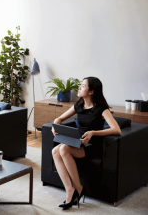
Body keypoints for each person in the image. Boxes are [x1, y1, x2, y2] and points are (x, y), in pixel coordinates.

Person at [51, 77, 121, 210]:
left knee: (64, 149)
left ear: (91, 92)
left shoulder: (101, 109)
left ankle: (78, 188)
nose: (79, 88)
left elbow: (116, 130)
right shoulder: (78, 105)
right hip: (78, 142)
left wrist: (93, 132)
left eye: (83, 86)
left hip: (92, 145)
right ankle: (70, 190)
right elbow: (60, 118)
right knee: (55, 151)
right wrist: (56, 124)